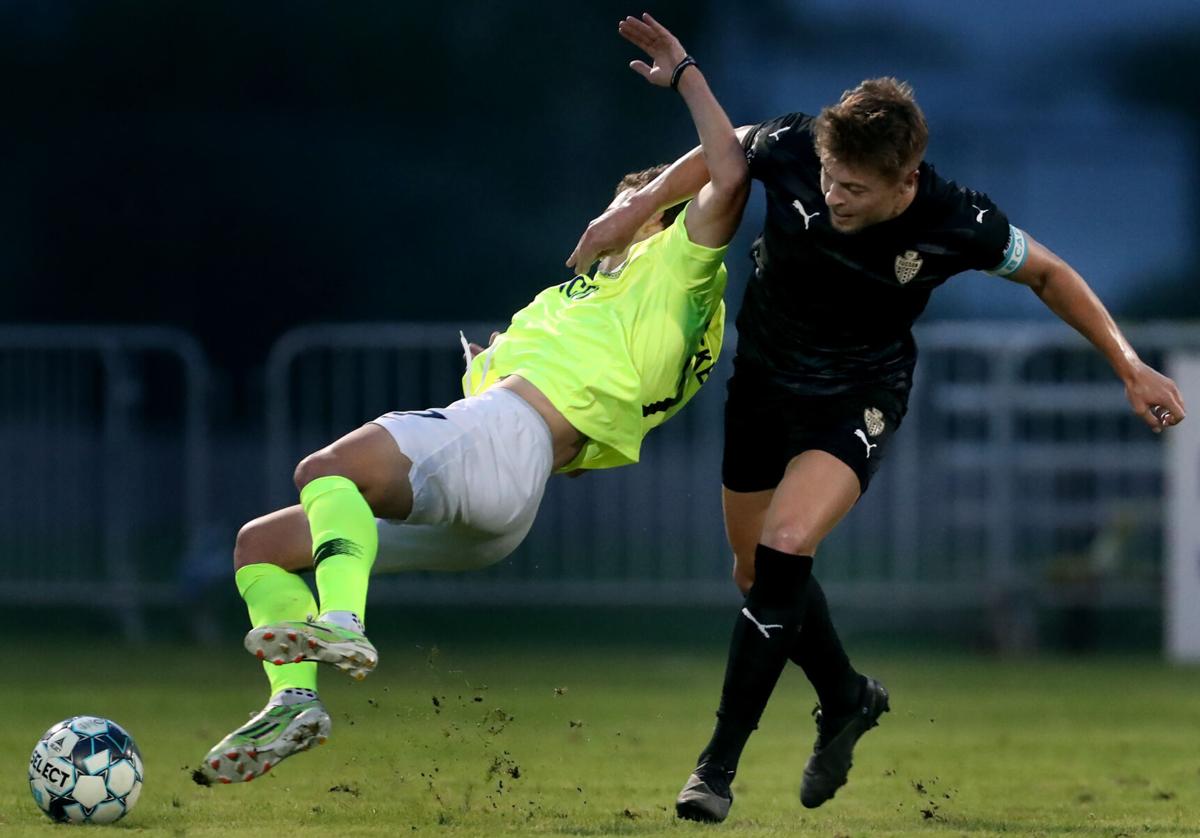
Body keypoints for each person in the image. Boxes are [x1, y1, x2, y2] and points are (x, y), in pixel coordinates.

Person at [568, 77, 1187, 822]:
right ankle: (846, 696)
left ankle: (715, 766)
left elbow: (1049, 274)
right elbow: (723, 148)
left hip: (857, 398)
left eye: (855, 187)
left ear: (906, 180)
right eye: (830, 177)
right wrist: (633, 207)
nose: (834, 195)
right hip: (762, 386)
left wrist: (1129, 365)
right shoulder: (795, 142)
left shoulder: (958, 218)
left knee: (785, 545)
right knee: (754, 573)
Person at [193, 13, 749, 786]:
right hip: (505, 496)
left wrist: (684, 76)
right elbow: (579, 441)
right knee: (260, 545)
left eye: (633, 207)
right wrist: (493, 366)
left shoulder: (680, 273)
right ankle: (295, 703)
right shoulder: (589, 307)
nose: (613, 219)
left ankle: (342, 622)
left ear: (661, 217)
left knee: (325, 470)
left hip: (503, 445)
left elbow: (732, 161)